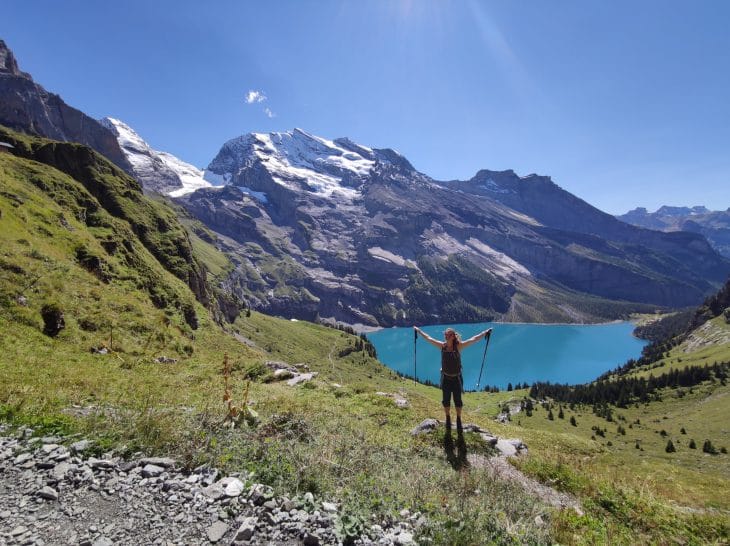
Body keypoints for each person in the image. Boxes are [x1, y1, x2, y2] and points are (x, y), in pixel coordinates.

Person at [413, 326, 492, 432]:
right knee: (446, 400)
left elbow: (473, 339)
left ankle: (459, 418)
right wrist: (419, 331)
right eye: (445, 334)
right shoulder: (443, 346)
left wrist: (485, 332)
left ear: (453, 337)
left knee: (458, 400)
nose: (446, 336)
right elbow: (429, 338)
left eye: (448, 335)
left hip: (456, 379)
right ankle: (448, 417)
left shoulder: (458, 347)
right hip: (445, 378)